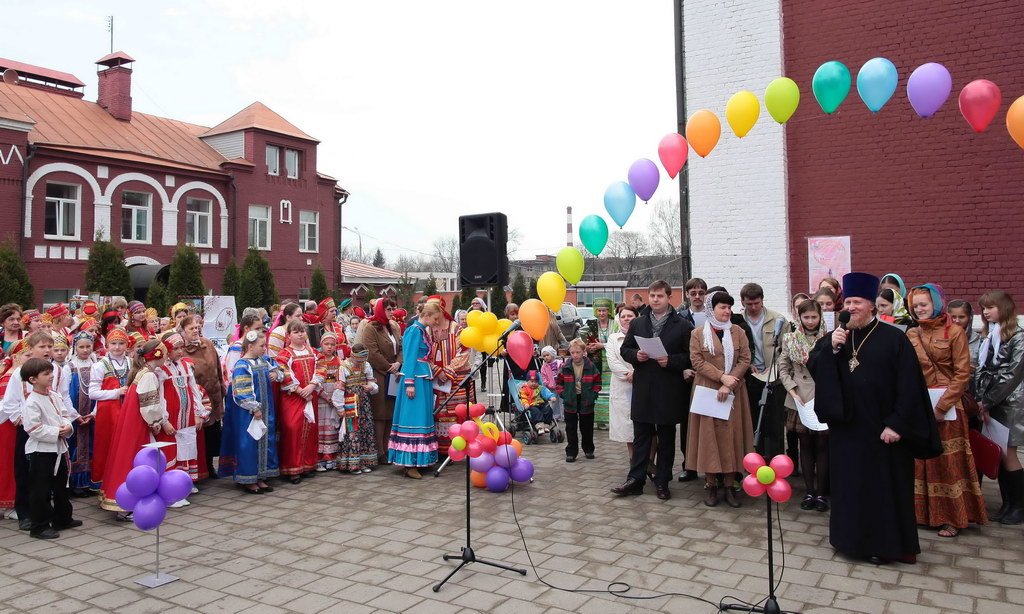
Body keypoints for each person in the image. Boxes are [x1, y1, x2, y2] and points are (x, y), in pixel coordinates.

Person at [810, 272, 941, 564]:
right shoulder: (836, 338)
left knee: (883, 490)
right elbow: (816, 370)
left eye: (857, 302)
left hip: (883, 433)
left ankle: (885, 547)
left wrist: (897, 423)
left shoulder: (894, 339)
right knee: (850, 488)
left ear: (871, 304)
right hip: (848, 431)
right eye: (848, 302)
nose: (851, 308)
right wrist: (831, 350)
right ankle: (850, 542)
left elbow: (910, 387)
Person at [905, 284, 987, 537]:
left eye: (924, 304)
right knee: (921, 460)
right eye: (915, 306)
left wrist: (942, 406)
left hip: (949, 407)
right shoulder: (912, 333)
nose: (919, 309)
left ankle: (952, 517)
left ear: (936, 304)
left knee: (948, 462)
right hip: (920, 404)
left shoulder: (955, 332)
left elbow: (962, 374)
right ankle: (922, 514)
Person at [685, 291, 753, 508]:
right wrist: (721, 377)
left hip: (733, 390)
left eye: (729, 307)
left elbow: (745, 359)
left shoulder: (738, 331)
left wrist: (728, 382)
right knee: (708, 437)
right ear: (711, 309)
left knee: (732, 436)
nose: (727, 311)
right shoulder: (698, 333)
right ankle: (712, 484)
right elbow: (697, 361)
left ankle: (730, 486)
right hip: (708, 390)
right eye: (722, 307)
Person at [99, 339, 171, 516]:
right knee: (134, 457)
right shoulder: (148, 375)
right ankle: (127, 503)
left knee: (129, 455)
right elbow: (149, 405)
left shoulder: (142, 372)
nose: (167, 357)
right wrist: (155, 422)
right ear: (157, 355)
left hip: (133, 420)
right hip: (138, 423)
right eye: (165, 353)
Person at [974, 290, 1024, 524]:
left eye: (990, 307)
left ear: (1004, 308)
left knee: (1009, 454)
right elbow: (982, 368)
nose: (985, 312)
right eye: (983, 308)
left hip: (1010, 403)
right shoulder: (990, 335)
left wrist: (987, 401)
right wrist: (980, 398)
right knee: (1001, 453)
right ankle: (1008, 504)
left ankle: (1019, 506)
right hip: (992, 401)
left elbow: (1011, 375)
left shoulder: (1018, 337)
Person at [778, 299, 829, 511]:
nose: (810, 321)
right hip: (799, 397)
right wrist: (792, 390)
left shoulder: (829, 337)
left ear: (820, 316)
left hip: (823, 396)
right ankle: (809, 491)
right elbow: (783, 367)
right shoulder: (790, 338)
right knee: (805, 445)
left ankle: (822, 493)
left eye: (814, 317)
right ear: (799, 317)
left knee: (823, 446)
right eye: (805, 317)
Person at [22, 358, 80, 539]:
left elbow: (64, 414)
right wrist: (57, 432)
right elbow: (33, 428)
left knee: (61, 484)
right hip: (41, 451)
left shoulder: (54, 395)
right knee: (41, 489)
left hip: (58, 449)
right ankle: (39, 526)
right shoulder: (31, 402)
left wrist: (67, 426)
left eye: (51, 372)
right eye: (46, 374)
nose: (51, 376)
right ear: (33, 379)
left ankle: (62, 518)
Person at [219, 331, 283, 494]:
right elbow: (241, 390)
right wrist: (254, 407)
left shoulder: (264, 360)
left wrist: (276, 373)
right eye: (261, 346)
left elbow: (281, 371)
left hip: (265, 410)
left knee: (264, 441)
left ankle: (260, 476)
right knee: (248, 443)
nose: (264, 348)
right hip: (247, 413)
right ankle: (248, 478)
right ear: (250, 347)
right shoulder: (242, 365)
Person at [388, 301, 443, 478]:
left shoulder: (422, 331)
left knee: (422, 417)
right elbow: (410, 358)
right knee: (413, 418)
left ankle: (419, 459)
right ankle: (409, 463)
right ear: (426, 315)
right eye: (435, 318)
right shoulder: (413, 330)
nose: (436, 322)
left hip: (423, 379)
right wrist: (409, 383)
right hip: (415, 380)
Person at [740, 283, 788, 457]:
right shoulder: (738, 321)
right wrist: (748, 364)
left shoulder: (778, 320)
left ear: (762, 300)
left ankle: (776, 461)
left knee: (775, 423)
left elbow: (786, 350)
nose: (753, 307)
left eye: (757, 303)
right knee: (755, 423)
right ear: (742, 302)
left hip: (774, 378)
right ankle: (757, 460)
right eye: (749, 304)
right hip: (751, 377)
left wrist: (775, 367)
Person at [158, 332, 209, 492]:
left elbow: (194, 390)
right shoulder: (161, 369)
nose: (180, 351)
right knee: (173, 448)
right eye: (176, 348)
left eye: (182, 348)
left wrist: (198, 413)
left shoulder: (186, 366)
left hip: (187, 416)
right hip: (172, 417)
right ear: (167, 350)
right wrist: (164, 420)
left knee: (188, 446)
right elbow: (159, 396)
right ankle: (173, 484)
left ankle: (186, 480)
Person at [275, 320, 322, 483]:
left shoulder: (313, 351)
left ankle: (307, 465)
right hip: (293, 398)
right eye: (296, 331)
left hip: (310, 396)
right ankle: (292, 468)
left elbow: (321, 368)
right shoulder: (284, 354)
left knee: (310, 429)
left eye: (302, 331)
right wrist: (299, 390)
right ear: (288, 335)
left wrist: (312, 386)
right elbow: (284, 373)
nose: (300, 334)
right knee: (292, 429)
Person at [356, 299, 402, 465]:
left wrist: (398, 363)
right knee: (380, 413)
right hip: (380, 374)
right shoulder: (371, 327)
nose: (391, 312)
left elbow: (400, 347)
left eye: (393, 309)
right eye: (388, 309)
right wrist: (389, 367)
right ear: (381, 310)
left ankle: (388, 447)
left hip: (394, 374)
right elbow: (372, 353)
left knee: (390, 412)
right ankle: (379, 450)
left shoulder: (393, 327)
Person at [425, 297, 472, 457]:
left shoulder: (456, 328)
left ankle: (457, 448)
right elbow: (424, 353)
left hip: (456, 378)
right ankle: (440, 450)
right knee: (437, 412)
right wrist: (437, 370)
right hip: (435, 378)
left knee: (456, 412)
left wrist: (449, 370)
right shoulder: (428, 330)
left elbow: (464, 351)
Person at [180, 315, 224, 478]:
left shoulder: (208, 344)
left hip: (214, 394)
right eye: (191, 328)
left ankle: (211, 464)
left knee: (213, 431)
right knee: (201, 433)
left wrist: (221, 386)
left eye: (197, 327)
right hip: (198, 397)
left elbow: (217, 367)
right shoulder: (182, 349)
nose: (195, 330)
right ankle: (200, 467)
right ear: (183, 331)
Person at [87, 327, 130, 485]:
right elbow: (92, 393)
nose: (117, 347)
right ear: (107, 344)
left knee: (127, 444)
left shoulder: (131, 362)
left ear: (127, 345)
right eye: (113, 343)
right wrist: (116, 392)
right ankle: (107, 482)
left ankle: (126, 477)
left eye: (121, 343)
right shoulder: (100, 366)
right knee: (108, 445)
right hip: (108, 414)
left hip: (128, 411)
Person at [335, 344, 379, 474]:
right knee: (352, 430)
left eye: (363, 360)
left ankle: (364, 462)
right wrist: (339, 407)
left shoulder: (366, 365)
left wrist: (371, 387)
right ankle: (352, 463)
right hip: (350, 403)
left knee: (365, 429)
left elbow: (371, 381)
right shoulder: (344, 367)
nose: (360, 362)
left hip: (364, 403)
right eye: (358, 359)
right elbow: (339, 388)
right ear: (353, 355)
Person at [556, 338, 601, 463]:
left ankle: (588, 449)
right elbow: (559, 383)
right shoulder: (566, 367)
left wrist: (593, 394)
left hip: (586, 399)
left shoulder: (590, 366)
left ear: (583, 352)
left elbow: (597, 382)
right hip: (570, 399)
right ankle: (571, 452)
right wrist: (564, 394)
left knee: (587, 427)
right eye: (572, 353)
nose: (575, 355)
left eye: (578, 352)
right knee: (570, 427)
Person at [66, 332, 97, 497]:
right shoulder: (69, 367)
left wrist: (93, 413)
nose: (85, 350)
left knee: (92, 444)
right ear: (75, 348)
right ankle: (74, 482)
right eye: (81, 347)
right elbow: (64, 393)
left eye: (88, 346)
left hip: (92, 412)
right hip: (75, 413)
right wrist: (74, 415)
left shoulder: (97, 365)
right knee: (75, 446)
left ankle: (90, 480)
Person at [605, 305, 637, 459]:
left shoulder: (644, 335)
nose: (626, 319)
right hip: (623, 386)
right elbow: (612, 362)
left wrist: (637, 374)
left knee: (647, 428)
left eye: (630, 316)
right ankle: (633, 461)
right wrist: (629, 374)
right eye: (623, 316)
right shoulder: (613, 338)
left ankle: (649, 462)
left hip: (642, 383)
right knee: (627, 428)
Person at [587, 298, 617, 432]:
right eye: (599, 310)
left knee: (611, 392)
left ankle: (611, 420)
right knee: (598, 391)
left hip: (611, 363)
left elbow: (618, 342)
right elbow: (583, 341)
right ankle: (599, 421)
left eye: (604, 310)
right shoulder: (591, 324)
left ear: (609, 311)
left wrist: (602, 345)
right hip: (597, 363)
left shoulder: (615, 325)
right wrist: (588, 348)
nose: (601, 313)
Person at [315, 332, 342, 471]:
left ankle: (331, 457)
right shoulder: (317, 361)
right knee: (321, 429)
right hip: (321, 400)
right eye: (326, 344)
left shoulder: (339, 362)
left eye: (332, 344)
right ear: (321, 345)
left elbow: (341, 381)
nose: (329, 347)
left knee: (332, 427)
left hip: (334, 401)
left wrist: (336, 398)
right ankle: (320, 457)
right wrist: (325, 396)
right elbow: (315, 382)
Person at [948, 300, 982, 368]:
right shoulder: (941, 338)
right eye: (953, 317)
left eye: (961, 317)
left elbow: (981, 366)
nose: (957, 321)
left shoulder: (978, 340)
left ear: (970, 317)